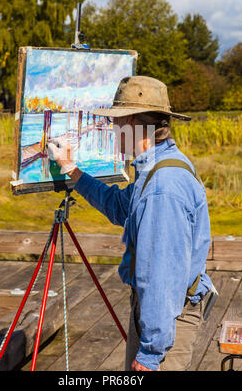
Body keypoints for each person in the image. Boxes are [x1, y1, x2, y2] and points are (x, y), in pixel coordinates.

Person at [47, 76, 212, 371]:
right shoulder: (158, 166)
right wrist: (71, 170)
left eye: (116, 121)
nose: (112, 128)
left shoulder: (162, 187)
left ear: (134, 123)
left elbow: (161, 275)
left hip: (165, 326)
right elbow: (120, 207)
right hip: (163, 320)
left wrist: (150, 354)